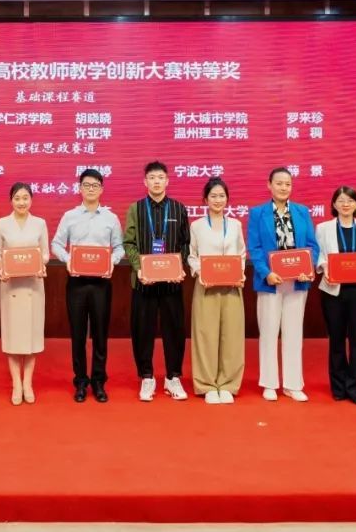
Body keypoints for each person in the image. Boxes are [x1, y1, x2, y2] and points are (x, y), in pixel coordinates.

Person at [51, 168, 125, 403]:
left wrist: (112, 261)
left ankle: (99, 381)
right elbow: (56, 244)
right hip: (77, 283)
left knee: (101, 334)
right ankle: (81, 381)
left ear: (101, 189)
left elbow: (119, 247)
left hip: (101, 283)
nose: (91, 189)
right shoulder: (69, 216)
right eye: (86, 185)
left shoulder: (111, 218)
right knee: (78, 335)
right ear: (79, 188)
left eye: (95, 185)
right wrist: (68, 260)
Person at [247, 167, 319, 402]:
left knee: (294, 333)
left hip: (297, 282)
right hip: (270, 281)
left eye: (287, 183)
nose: (283, 187)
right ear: (269, 185)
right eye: (279, 183)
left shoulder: (301, 211)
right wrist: (266, 273)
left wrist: (308, 267)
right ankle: (269, 383)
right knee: (269, 332)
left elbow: (312, 245)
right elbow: (255, 248)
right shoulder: (258, 213)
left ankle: (292, 384)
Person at [123, 161, 190, 402]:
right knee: (142, 330)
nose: (157, 181)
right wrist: (139, 268)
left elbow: (185, 243)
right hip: (144, 282)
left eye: (160, 177)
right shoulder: (136, 209)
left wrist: (179, 266)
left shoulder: (179, 209)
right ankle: (147, 377)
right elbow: (129, 243)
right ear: (145, 182)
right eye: (152, 177)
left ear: (167, 180)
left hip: (171, 282)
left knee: (175, 330)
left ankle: (173, 377)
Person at [187, 177, 247, 404]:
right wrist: (201, 273)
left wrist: (239, 273)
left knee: (231, 335)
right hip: (206, 287)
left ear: (227, 199)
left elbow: (241, 254)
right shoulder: (197, 226)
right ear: (205, 199)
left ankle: (228, 384)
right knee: (205, 335)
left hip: (232, 287)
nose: (218, 200)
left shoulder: (235, 225)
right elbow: (192, 255)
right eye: (213, 196)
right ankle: (207, 384)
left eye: (222, 196)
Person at [315, 186, 356, 406]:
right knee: (337, 341)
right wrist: (325, 268)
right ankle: (339, 387)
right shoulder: (323, 228)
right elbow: (319, 255)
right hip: (334, 291)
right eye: (341, 200)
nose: (345, 204)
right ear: (334, 204)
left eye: (350, 200)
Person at [0, 182, 50, 405]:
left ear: (31, 199)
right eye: (17, 198)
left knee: (32, 336)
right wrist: (3, 267)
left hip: (33, 285)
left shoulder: (40, 223)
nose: (21, 202)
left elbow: (45, 253)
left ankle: (28, 383)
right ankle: (16, 383)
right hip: (11, 286)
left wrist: (39, 264)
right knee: (13, 336)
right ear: (11, 201)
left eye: (25, 198)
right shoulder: (1, 224)